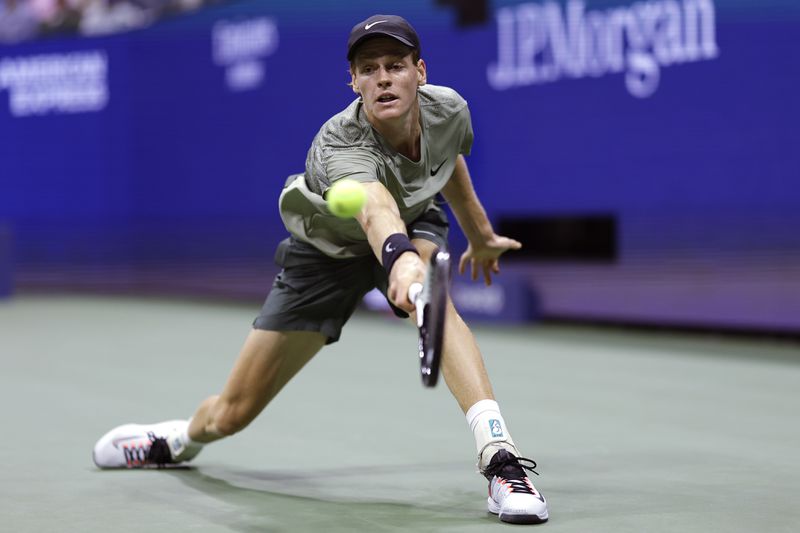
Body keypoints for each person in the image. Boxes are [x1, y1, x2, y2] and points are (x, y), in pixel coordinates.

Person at [92, 14, 549, 525]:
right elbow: (376, 211)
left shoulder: (450, 109)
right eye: (368, 69)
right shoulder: (338, 142)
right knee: (234, 412)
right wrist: (398, 261)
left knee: (436, 308)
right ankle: (173, 441)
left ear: (419, 72)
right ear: (352, 82)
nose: (383, 78)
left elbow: (448, 163)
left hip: (416, 219)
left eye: (395, 66)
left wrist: (480, 234)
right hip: (325, 254)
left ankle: (501, 460)